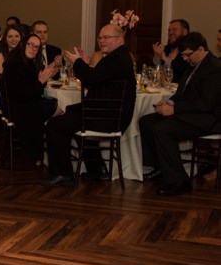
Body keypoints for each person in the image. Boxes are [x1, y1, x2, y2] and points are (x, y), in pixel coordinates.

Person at [42, 24, 137, 186]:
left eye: (106, 37)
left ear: (120, 39)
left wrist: (78, 62)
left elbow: (91, 79)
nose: (101, 41)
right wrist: (86, 64)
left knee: (55, 125)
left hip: (108, 117)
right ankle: (95, 170)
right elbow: (98, 78)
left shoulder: (117, 58)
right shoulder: (118, 56)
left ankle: (63, 174)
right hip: (104, 112)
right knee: (72, 117)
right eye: (100, 37)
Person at [140, 32, 221, 196]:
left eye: (187, 55)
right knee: (146, 122)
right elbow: (182, 91)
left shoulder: (214, 68)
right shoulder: (194, 65)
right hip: (193, 113)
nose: (184, 59)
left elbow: (206, 103)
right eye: (183, 55)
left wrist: (175, 109)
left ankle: (178, 181)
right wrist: (169, 102)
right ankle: (160, 168)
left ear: (200, 49)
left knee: (163, 129)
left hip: (210, 118)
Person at [3, 34, 59, 164]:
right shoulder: (15, 64)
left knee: (57, 108)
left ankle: (47, 144)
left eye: (37, 47)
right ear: (23, 45)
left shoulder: (25, 62)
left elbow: (33, 89)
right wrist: (41, 80)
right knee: (62, 108)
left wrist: (44, 78)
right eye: (31, 45)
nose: (34, 49)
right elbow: (23, 94)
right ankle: (49, 150)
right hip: (21, 110)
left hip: (26, 105)